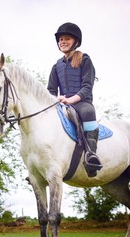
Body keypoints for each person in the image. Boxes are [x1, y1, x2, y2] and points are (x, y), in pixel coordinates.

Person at [47, 22, 102, 177]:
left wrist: (71, 100)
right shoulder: (56, 66)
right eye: (61, 39)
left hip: (81, 102)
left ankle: (91, 155)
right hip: (62, 103)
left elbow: (87, 87)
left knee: (89, 112)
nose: (63, 41)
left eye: (67, 39)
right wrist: (57, 99)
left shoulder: (85, 60)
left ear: (76, 42)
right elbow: (50, 91)